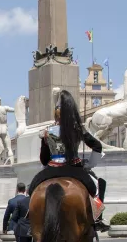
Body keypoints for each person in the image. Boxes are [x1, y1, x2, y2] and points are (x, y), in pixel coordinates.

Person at [36, 88, 109, 232]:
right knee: (97, 186)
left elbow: (44, 158)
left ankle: (29, 217)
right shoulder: (77, 129)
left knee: (33, 188)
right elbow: (97, 146)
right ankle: (98, 217)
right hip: (74, 167)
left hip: (52, 167)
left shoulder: (46, 132)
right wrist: (90, 163)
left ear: (56, 116)